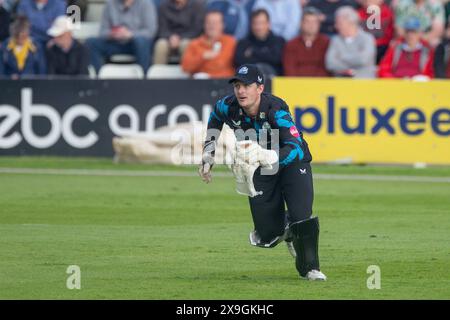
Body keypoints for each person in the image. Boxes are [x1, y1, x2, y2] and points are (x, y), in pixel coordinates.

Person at [198, 64, 327, 281]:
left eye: (246, 86)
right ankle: (287, 228)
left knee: (302, 217)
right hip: (259, 167)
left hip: (292, 164)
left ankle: (310, 268)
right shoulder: (226, 106)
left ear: (259, 88)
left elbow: (295, 146)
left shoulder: (276, 110)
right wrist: (208, 154)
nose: (240, 91)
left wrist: (271, 156)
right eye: (237, 86)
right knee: (267, 234)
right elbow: (214, 121)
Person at [85, 0, 157, 73]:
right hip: (114, 43)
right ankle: (99, 79)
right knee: (91, 42)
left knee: (141, 41)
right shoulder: (110, 3)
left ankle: (144, 79)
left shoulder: (145, 3)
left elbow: (150, 31)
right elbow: (102, 32)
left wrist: (130, 34)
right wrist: (112, 33)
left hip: (134, 44)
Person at [181, 10, 236, 78]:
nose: (212, 26)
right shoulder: (195, 44)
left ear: (223, 25)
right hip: (201, 84)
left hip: (225, 83)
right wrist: (202, 57)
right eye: (209, 22)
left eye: (215, 23)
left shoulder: (231, 42)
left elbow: (239, 66)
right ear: (204, 25)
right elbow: (185, 67)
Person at [325, 6, 377, 78]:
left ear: (350, 23)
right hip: (341, 84)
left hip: (364, 83)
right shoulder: (335, 40)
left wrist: (342, 57)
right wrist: (350, 68)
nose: (336, 26)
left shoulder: (367, 39)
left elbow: (363, 60)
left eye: (339, 23)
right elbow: (330, 63)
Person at [234, 9, 285, 76]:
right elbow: (239, 63)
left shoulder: (279, 41)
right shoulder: (243, 43)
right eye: (255, 23)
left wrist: (253, 52)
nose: (259, 27)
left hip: (275, 83)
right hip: (249, 83)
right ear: (251, 25)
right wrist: (267, 53)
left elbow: (277, 60)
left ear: (269, 24)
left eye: (261, 23)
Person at [153, 0, 205, 64]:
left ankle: (188, 72)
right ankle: (158, 73)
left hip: (188, 38)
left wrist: (180, 38)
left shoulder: (197, 6)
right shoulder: (163, 6)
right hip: (168, 38)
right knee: (160, 45)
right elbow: (162, 28)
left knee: (186, 44)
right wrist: (170, 37)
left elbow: (197, 29)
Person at [283, 6, 330, 77]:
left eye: (314, 22)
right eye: (307, 21)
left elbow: (327, 68)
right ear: (301, 24)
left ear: (319, 24)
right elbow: (289, 69)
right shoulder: (292, 44)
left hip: (321, 85)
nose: (311, 25)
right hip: (296, 86)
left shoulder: (326, 43)